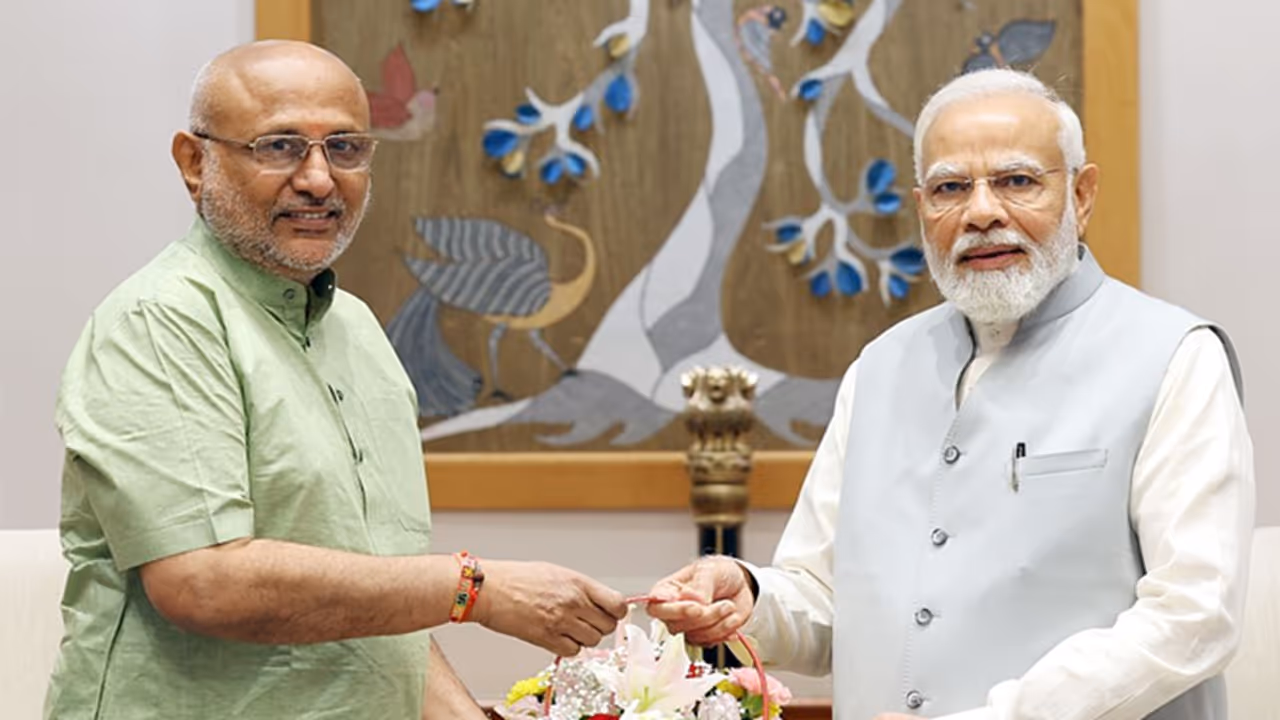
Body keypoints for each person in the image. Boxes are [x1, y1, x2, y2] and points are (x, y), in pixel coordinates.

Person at [647, 68, 1255, 720]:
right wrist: (751, 597)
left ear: (1081, 195)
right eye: (950, 188)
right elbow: (828, 600)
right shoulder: (879, 369)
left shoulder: (1174, 356)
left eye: (1018, 181)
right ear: (921, 208)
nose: (982, 211)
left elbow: (1195, 613)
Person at [45, 40, 626, 720]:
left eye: (345, 148)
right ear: (193, 162)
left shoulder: (356, 329)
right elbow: (204, 582)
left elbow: (374, 603)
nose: (320, 179)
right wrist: (476, 588)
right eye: (281, 146)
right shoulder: (160, 321)